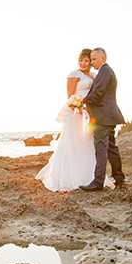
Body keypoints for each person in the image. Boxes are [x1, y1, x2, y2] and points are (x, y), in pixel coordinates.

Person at [36, 49, 105, 192]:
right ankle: (69, 177)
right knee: (73, 142)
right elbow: (71, 96)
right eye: (81, 60)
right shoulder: (74, 75)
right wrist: (79, 109)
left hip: (90, 112)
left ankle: (89, 176)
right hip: (76, 112)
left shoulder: (93, 76)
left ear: (91, 62)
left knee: (88, 143)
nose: (84, 63)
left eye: (87, 61)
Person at [79, 47, 126, 191]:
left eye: (94, 59)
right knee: (111, 148)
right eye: (91, 59)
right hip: (109, 116)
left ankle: (98, 182)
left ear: (103, 59)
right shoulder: (106, 71)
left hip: (103, 118)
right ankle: (119, 178)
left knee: (101, 148)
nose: (92, 62)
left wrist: (83, 102)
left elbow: (98, 93)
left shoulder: (105, 72)